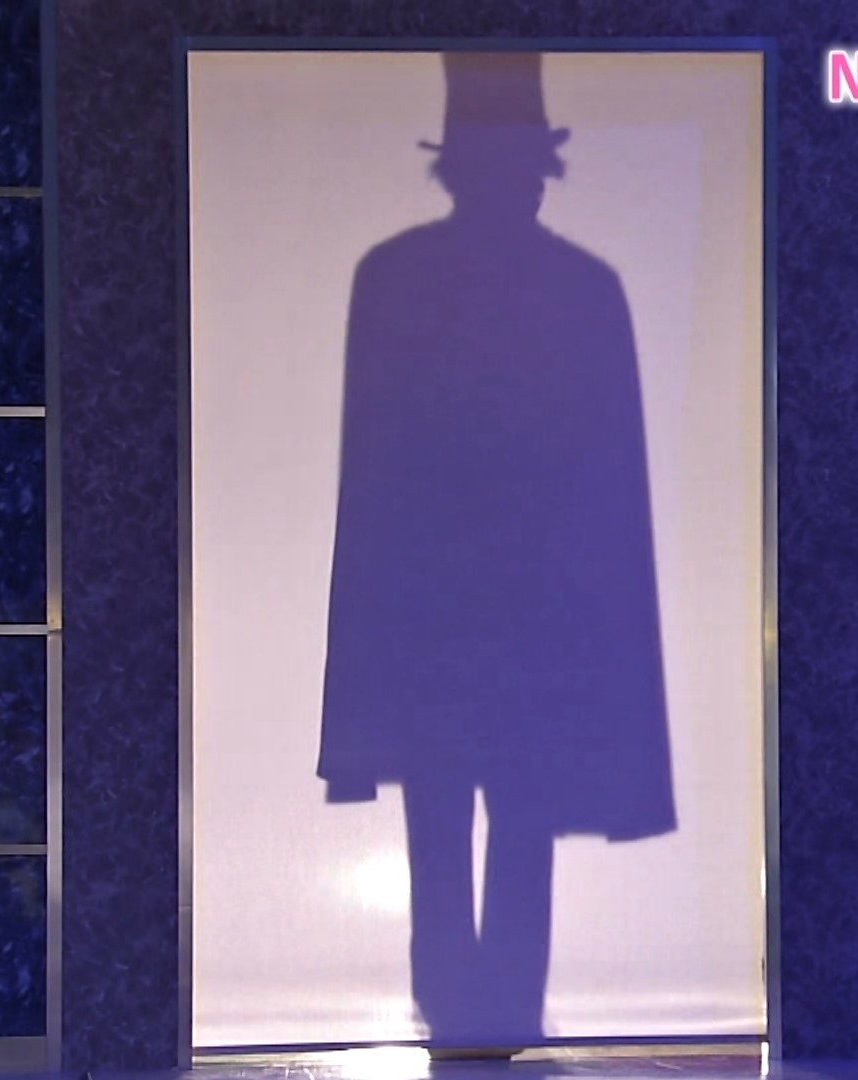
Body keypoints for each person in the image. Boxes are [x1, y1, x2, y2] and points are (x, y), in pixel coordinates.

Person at [316, 53, 677, 1055]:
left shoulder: (400, 278)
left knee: (470, 816)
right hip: (510, 612)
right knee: (508, 814)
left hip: (458, 610)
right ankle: (489, 1011)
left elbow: (381, 475)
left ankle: (473, 1011)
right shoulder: (576, 288)